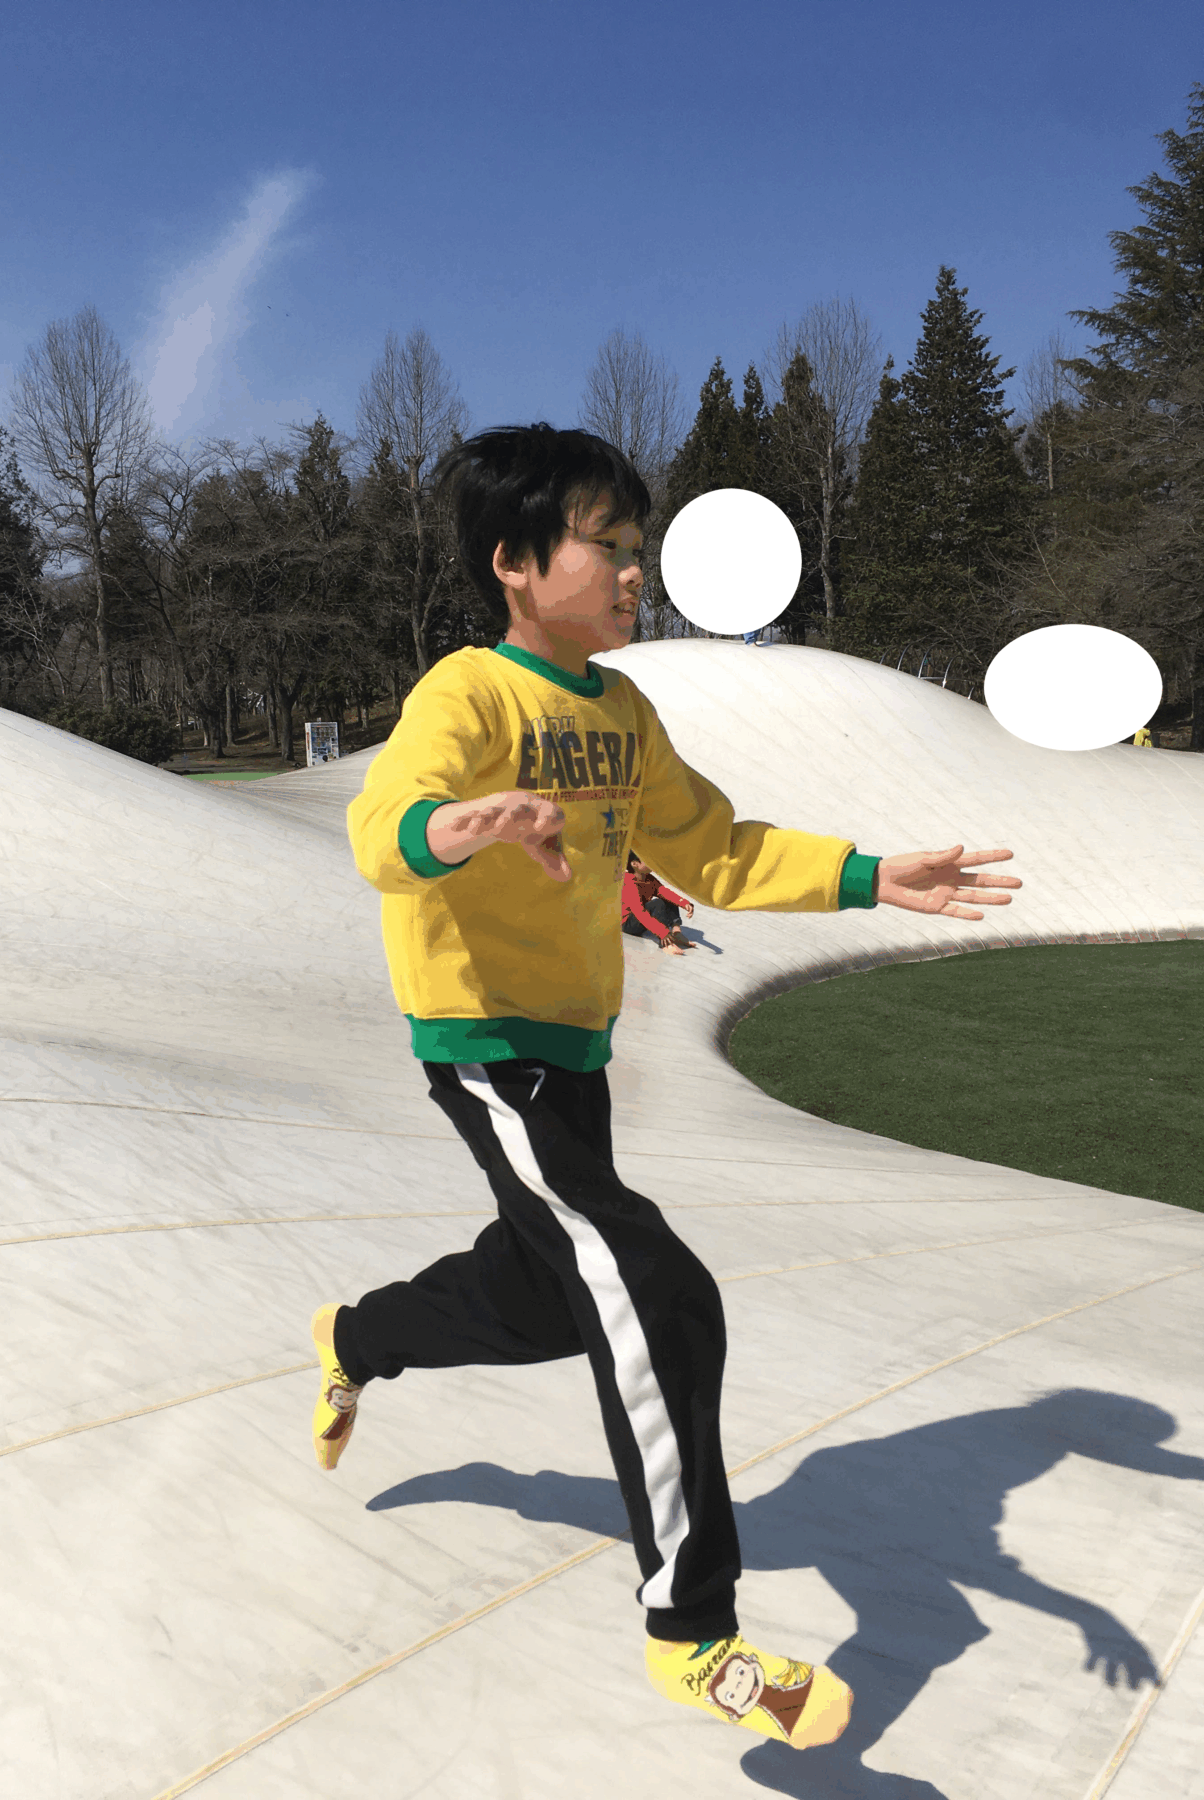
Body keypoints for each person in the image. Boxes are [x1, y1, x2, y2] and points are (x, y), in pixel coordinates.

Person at [310, 423, 1022, 1753]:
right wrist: (460, 824)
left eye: (638, 549)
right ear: (515, 561)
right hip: (484, 1046)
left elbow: (718, 849)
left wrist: (873, 875)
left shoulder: (625, 715)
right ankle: (692, 1635)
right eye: (609, 547)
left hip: (573, 1054)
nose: (636, 573)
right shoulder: (469, 695)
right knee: (657, 1293)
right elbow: (382, 831)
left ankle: (355, 1337)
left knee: (542, 1293)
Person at [622, 850, 693, 954]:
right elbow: (639, 912)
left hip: (641, 919)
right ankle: (666, 944)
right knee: (658, 903)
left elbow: (664, 892)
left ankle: (676, 933)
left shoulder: (650, 879)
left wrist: (684, 903)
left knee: (667, 899)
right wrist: (663, 933)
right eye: (647, 860)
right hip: (628, 923)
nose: (652, 862)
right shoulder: (628, 882)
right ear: (634, 864)